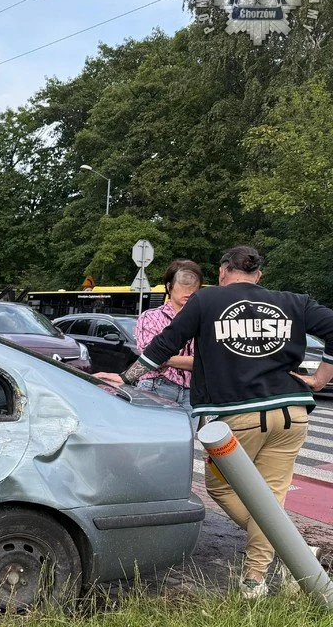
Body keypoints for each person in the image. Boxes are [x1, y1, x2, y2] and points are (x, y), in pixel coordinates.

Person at [97, 246, 333, 598]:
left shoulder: (206, 303)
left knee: (221, 488)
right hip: (292, 415)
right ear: (259, 276)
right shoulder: (293, 301)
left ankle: (281, 559)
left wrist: (126, 377)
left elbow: (163, 346)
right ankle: (258, 579)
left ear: (223, 273)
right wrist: (320, 379)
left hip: (237, 418)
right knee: (270, 497)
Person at [133, 259, 202, 418]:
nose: (189, 290)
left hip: (192, 393)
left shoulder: (203, 322)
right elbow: (147, 356)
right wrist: (189, 361)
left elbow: (204, 360)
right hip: (157, 387)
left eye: (194, 286)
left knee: (187, 441)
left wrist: (163, 358)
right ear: (169, 287)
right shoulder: (150, 317)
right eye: (183, 284)